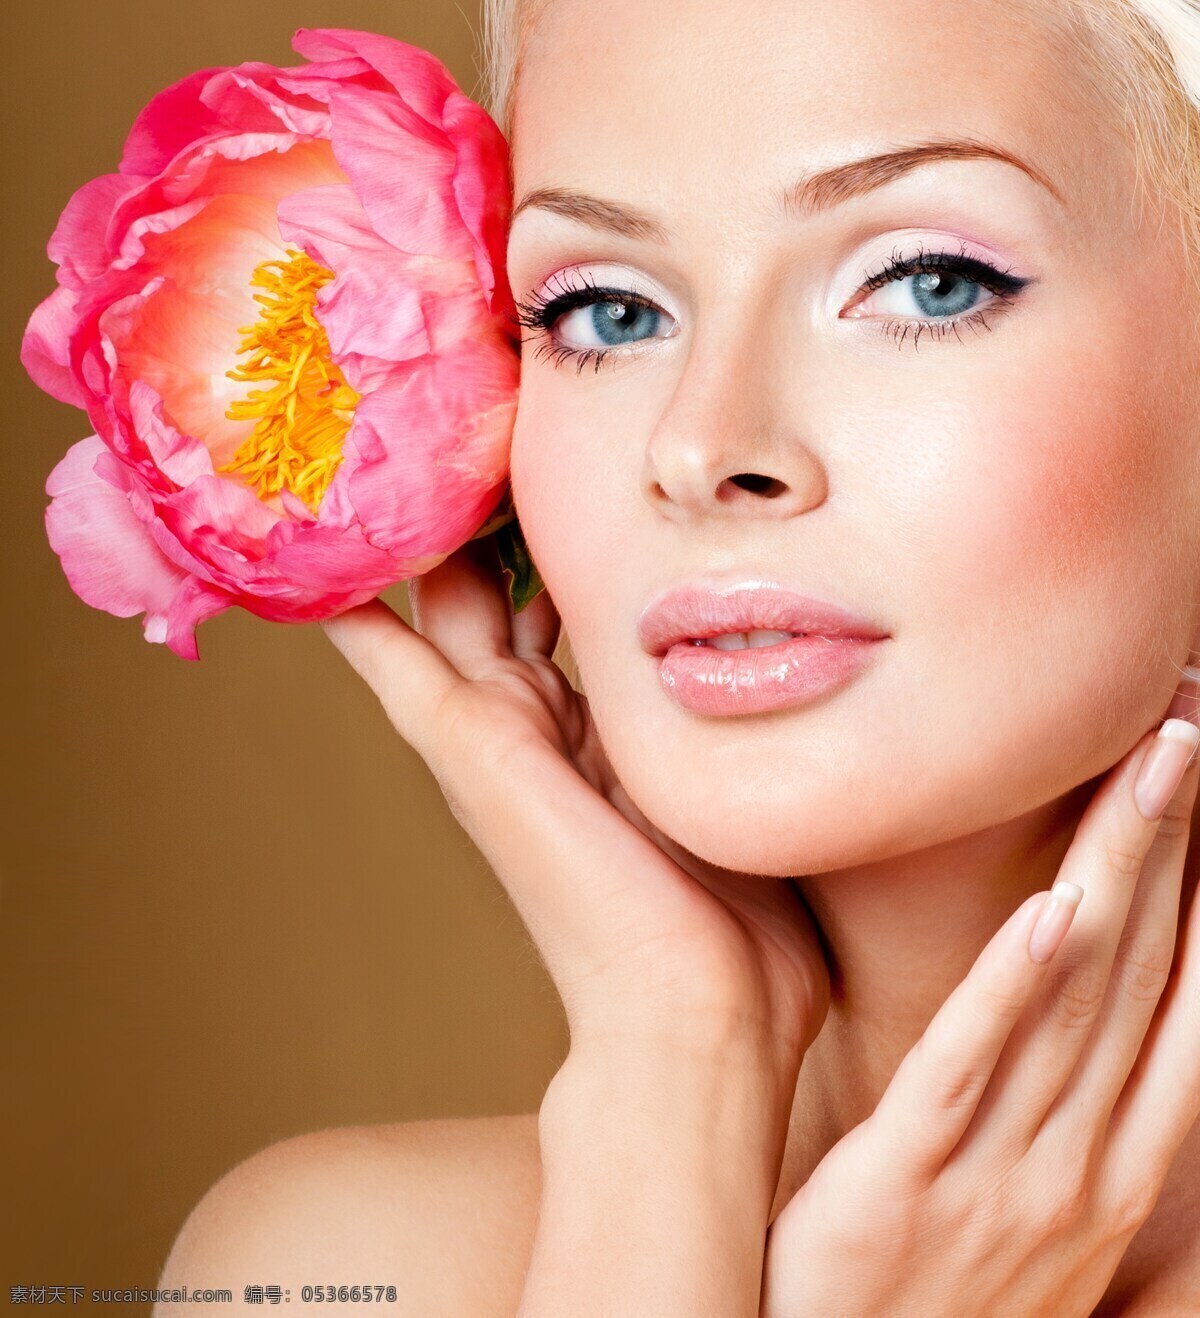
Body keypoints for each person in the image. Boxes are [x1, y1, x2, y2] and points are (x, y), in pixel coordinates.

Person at [155, 0, 1200, 1311]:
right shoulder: (336, 1268)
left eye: (929, 282)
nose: (702, 446)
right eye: (606, 311)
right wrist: (671, 1068)